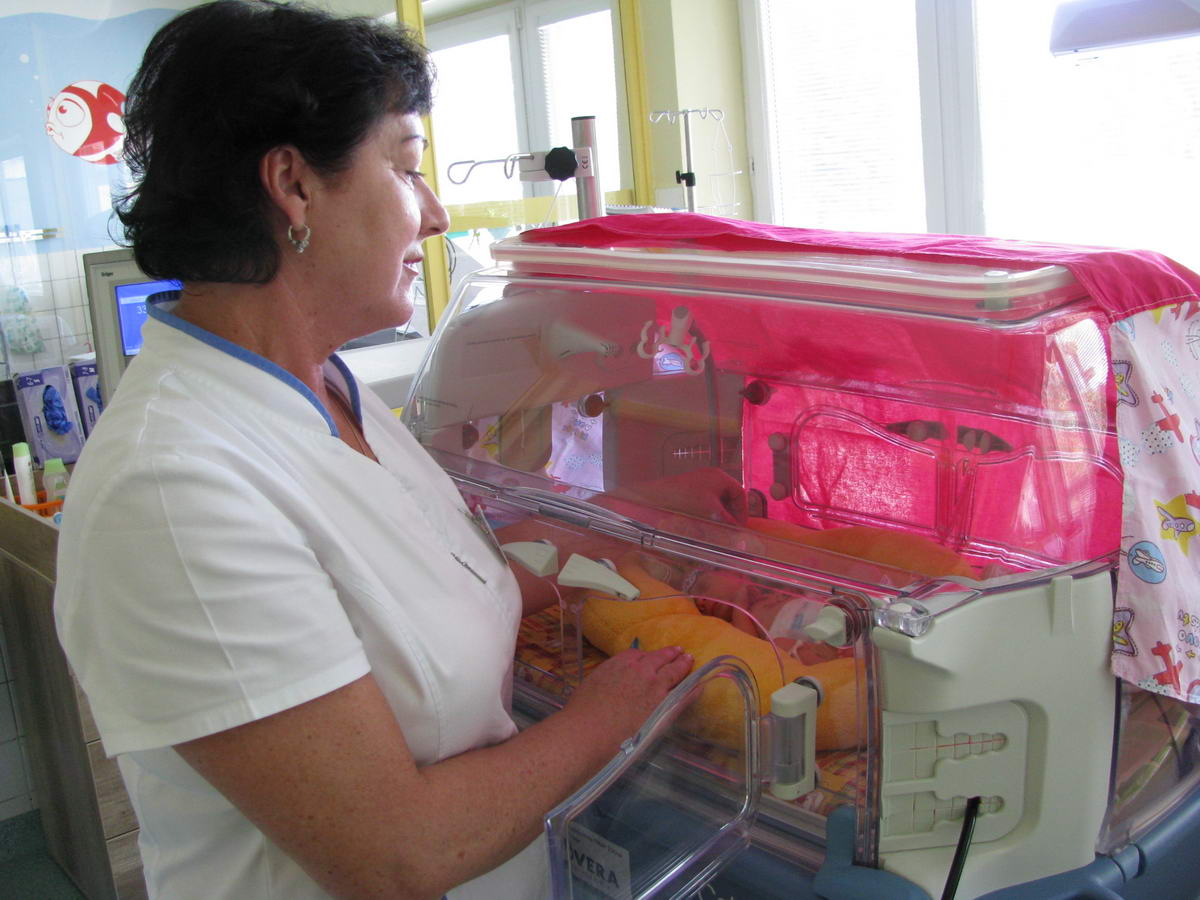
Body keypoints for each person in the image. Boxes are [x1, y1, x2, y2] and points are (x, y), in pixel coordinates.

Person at [53, 3, 695, 898]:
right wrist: (610, 713)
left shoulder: (329, 391)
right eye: (405, 167)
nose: (434, 215)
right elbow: (399, 854)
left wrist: (627, 545)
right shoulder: (170, 488)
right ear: (294, 186)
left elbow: (417, 584)